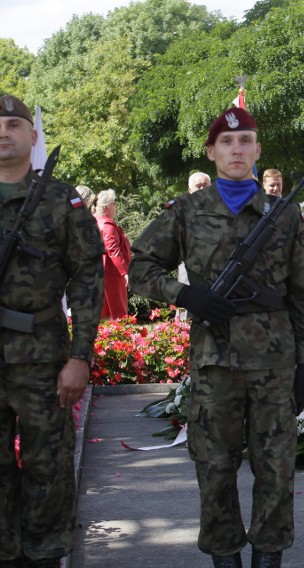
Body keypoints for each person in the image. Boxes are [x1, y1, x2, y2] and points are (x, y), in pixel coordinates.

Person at [129, 106, 304, 568]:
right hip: (215, 364)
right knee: (214, 469)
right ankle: (225, 559)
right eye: (227, 143)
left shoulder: (284, 213)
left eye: (246, 141)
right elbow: (139, 269)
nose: (237, 149)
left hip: (275, 364)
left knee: (275, 469)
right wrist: (186, 295)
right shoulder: (187, 211)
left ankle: (268, 558)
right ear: (212, 151)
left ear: (257, 150)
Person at [0, 95, 104, 568]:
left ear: (32, 136)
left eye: (14, 123)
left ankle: (44, 558)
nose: (4, 131)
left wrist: (80, 356)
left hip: (42, 356)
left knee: (49, 465)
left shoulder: (62, 200)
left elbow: (87, 276)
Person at [94, 189, 131, 319]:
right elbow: (113, 251)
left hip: (99, 273)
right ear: (106, 208)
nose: (116, 206)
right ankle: (121, 338)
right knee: (118, 313)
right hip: (112, 274)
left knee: (103, 314)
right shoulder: (107, 225)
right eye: (113, 203)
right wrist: (125, 273)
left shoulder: (95, 221)